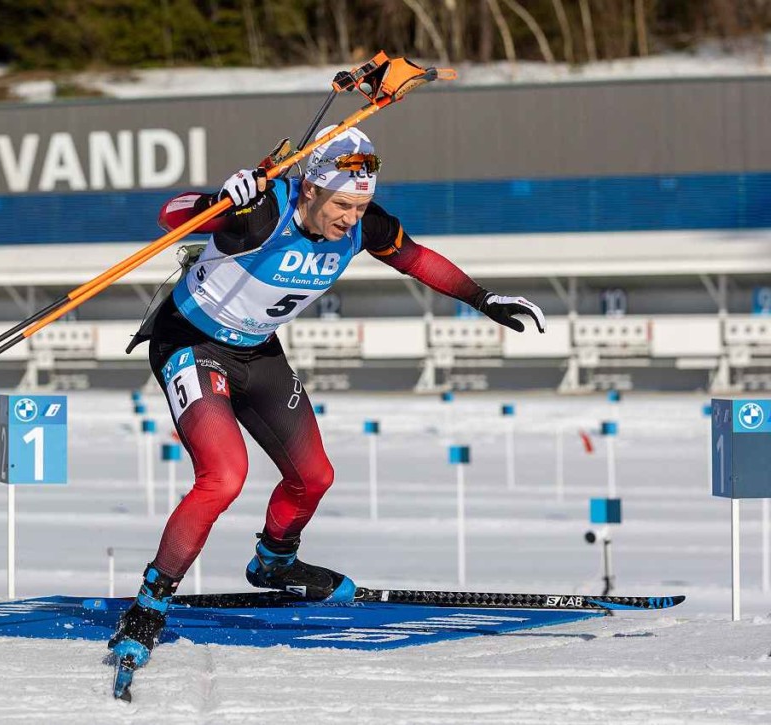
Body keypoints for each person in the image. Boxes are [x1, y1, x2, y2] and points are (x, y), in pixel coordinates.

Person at [109, 126, 546, 668]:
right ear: (310, 191)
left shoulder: (363, 226)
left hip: (258, 351)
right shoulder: (262, 212)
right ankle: (150, 604)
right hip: (193, 343)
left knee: (314, 476)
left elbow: (416, 258)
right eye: (342, 204)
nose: (351, 219)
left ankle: (274, 563)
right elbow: (172, 216)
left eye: (360, 206)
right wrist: (219, 199)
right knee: (223, 476)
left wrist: (483, 299)